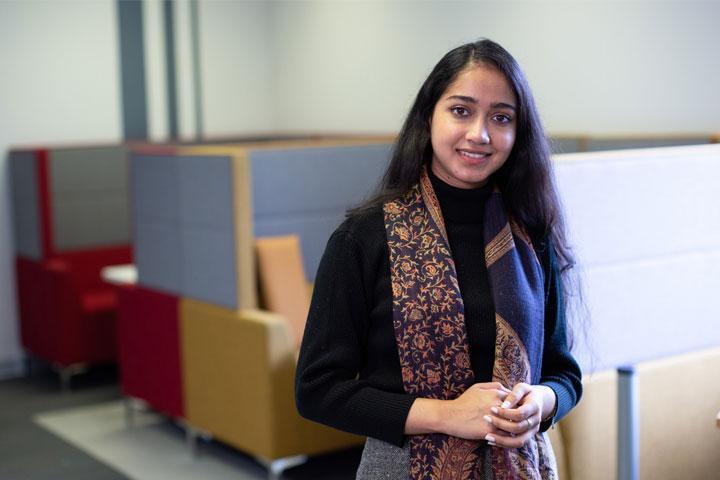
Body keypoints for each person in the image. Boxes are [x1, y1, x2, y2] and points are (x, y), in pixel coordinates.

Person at [295, 39, 582, 479]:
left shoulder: (530, 234)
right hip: (402, 469)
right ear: (429, 115)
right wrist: (448, 415)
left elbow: (564, 373)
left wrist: (542, 403)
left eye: (501, 117)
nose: (479, 134)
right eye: (461, 110)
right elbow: (317, 390)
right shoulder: (364, 236)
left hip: (523, 465)